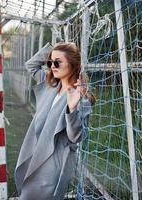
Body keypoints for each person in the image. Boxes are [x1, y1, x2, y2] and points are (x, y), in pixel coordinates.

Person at [14, 42, 95, 199]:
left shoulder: (82, 98)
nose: (52, 66)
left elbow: (76, 137)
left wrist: (71, 108)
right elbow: (31, 65)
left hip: (53, 161)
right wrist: (52, 50)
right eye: (50, 62)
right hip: (34, 151)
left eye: (57, 62)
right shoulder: (49, 85)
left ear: (72, 63)